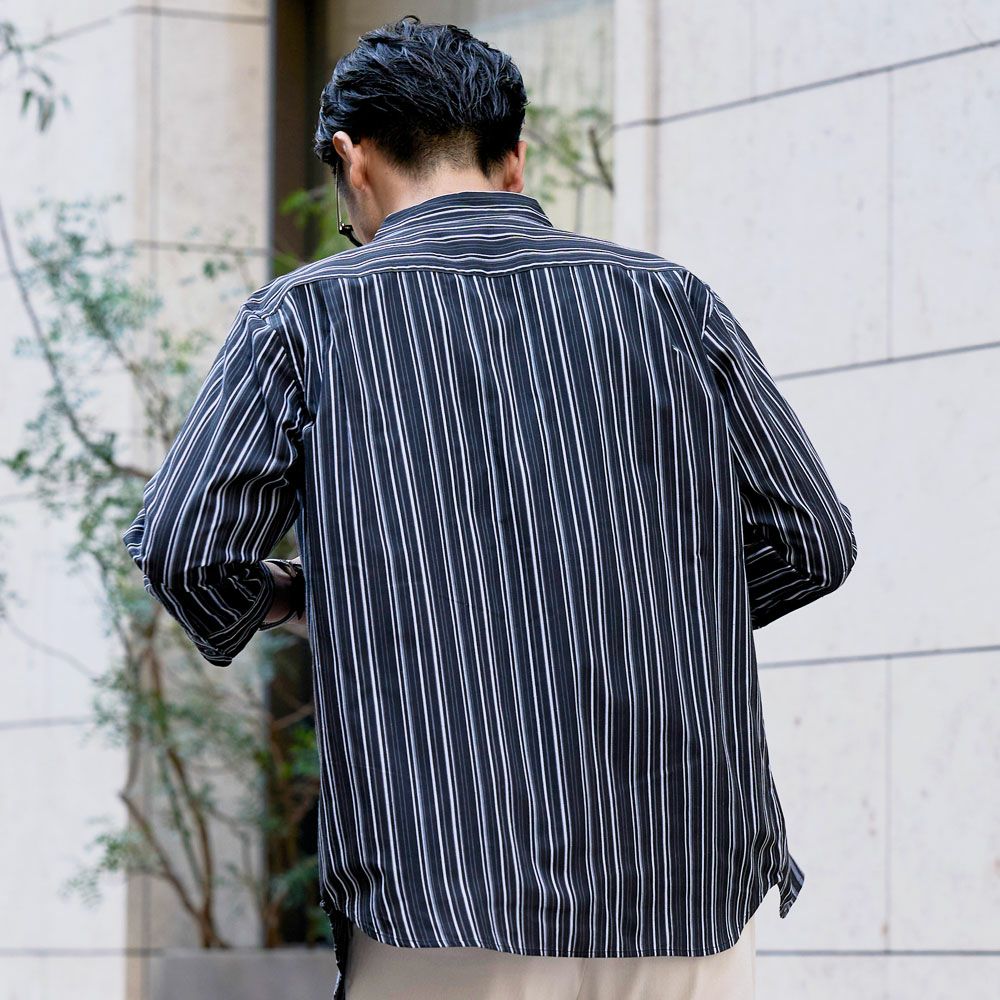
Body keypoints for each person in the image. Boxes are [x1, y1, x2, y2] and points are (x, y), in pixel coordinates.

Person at [122, 14, 858, 1000]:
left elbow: (185, 549)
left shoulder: (309, 315)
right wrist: (652, 610)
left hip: (445, 886)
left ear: (352, 160)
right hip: (686, 882)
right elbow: (810, 540)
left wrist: (311, 599)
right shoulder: (670, 302)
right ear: (514, 159)